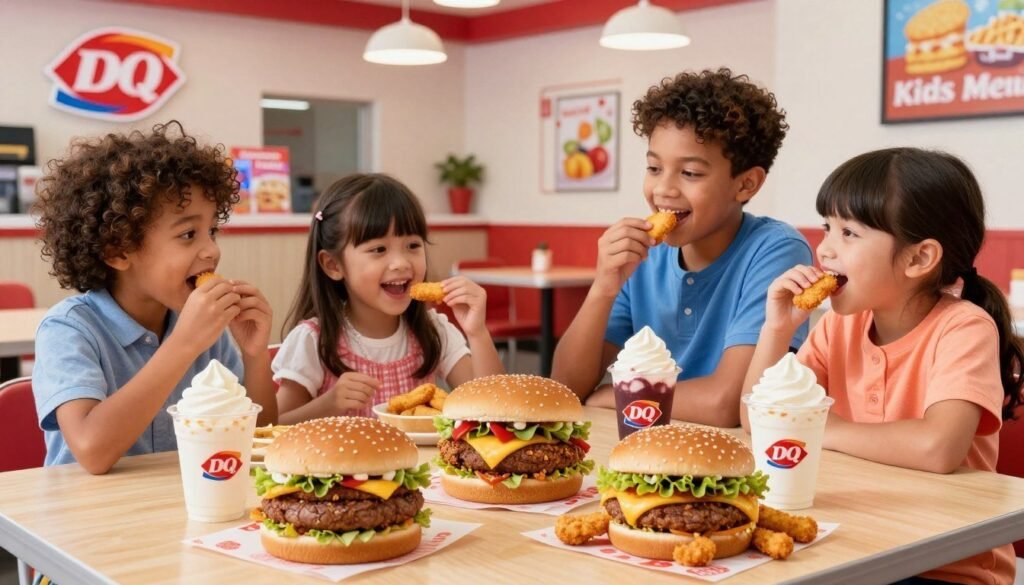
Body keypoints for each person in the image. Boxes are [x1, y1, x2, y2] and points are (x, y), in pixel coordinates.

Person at [742, 148, 1021, 585]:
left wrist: (817, 428)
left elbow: (937, 446)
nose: (825, 249)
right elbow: (757, 421)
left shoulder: (964, 327)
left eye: (849, 233)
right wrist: (776, 330)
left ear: (918, 259)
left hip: (947, 567)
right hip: (857, 548)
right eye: (826, 227)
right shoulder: (837, 324)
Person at [551, 68, 811, 427]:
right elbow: (565, 388)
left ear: (746, 184)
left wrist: (612, 396)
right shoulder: (642, 256)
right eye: (654, 167)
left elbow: (726, 403)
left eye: (690, 173)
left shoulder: (775, 251)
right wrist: (603, 287)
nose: (663, 189)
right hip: (645, 447)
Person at [33, 121, 278, 475]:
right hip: (84, 519)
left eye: (212, 231)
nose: (211, 250)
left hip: (177, 510)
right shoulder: (69, 330)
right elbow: (91, 450)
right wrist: (184, 344)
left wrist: (255, 357)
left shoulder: (202, 330)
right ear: (118, 251)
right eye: (189, 234)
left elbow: (255, 442)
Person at [273, 173, 504, 423]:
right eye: (379, 250)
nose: (401, 263)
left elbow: (492, 407)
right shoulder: (314, 340)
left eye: (413, 246)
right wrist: (328, 404)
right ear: (333, 265)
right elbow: (272, 427)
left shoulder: (433, 330)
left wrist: (477, 333)